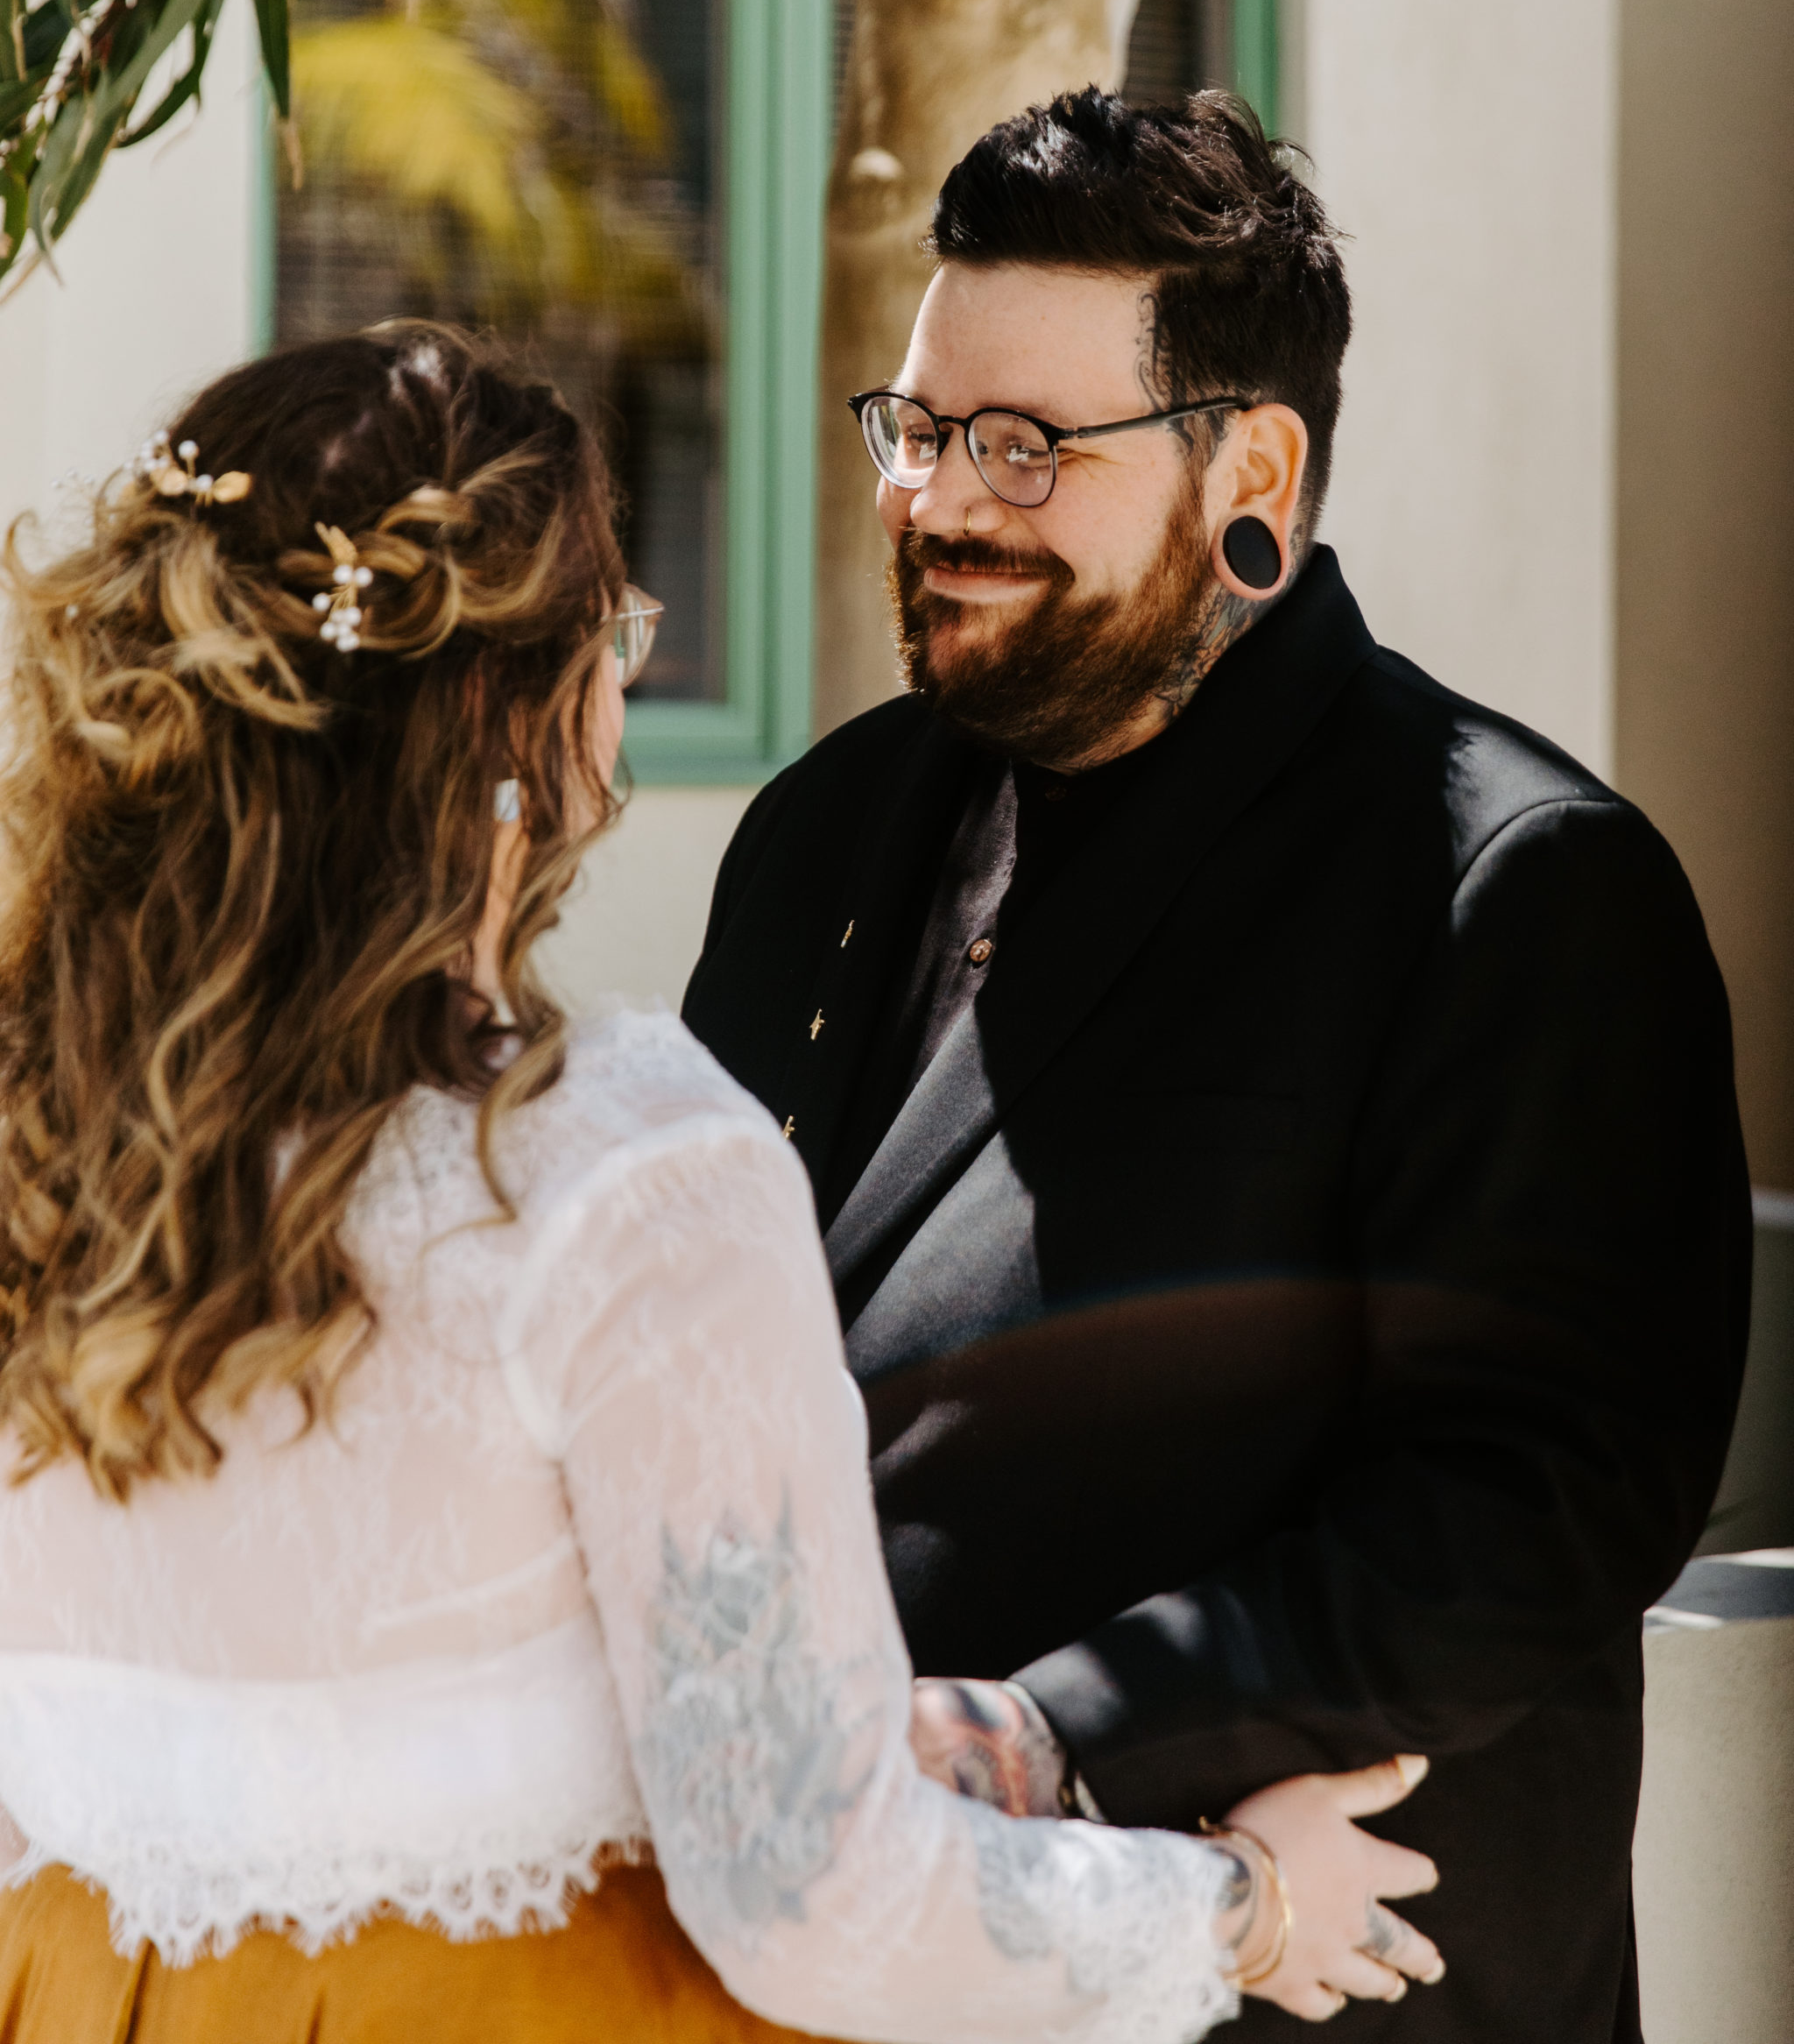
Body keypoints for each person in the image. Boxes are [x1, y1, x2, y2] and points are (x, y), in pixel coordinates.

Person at [0, 323, 1444, 2043]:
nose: (625, 673)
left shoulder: (43, 1130)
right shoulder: (618, 1166)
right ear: (510, 717)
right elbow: (815, 1902)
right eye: (616, 634)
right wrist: (1240, 1907)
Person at [682, 90, 1753, 2042]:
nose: (938, 498)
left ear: (1250, 465)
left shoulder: (1513, 883)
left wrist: (1041, 1740)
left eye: (1024, 443)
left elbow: (1533, 1507)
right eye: (915, 430)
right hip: (834, 1960)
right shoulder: (821, 829)